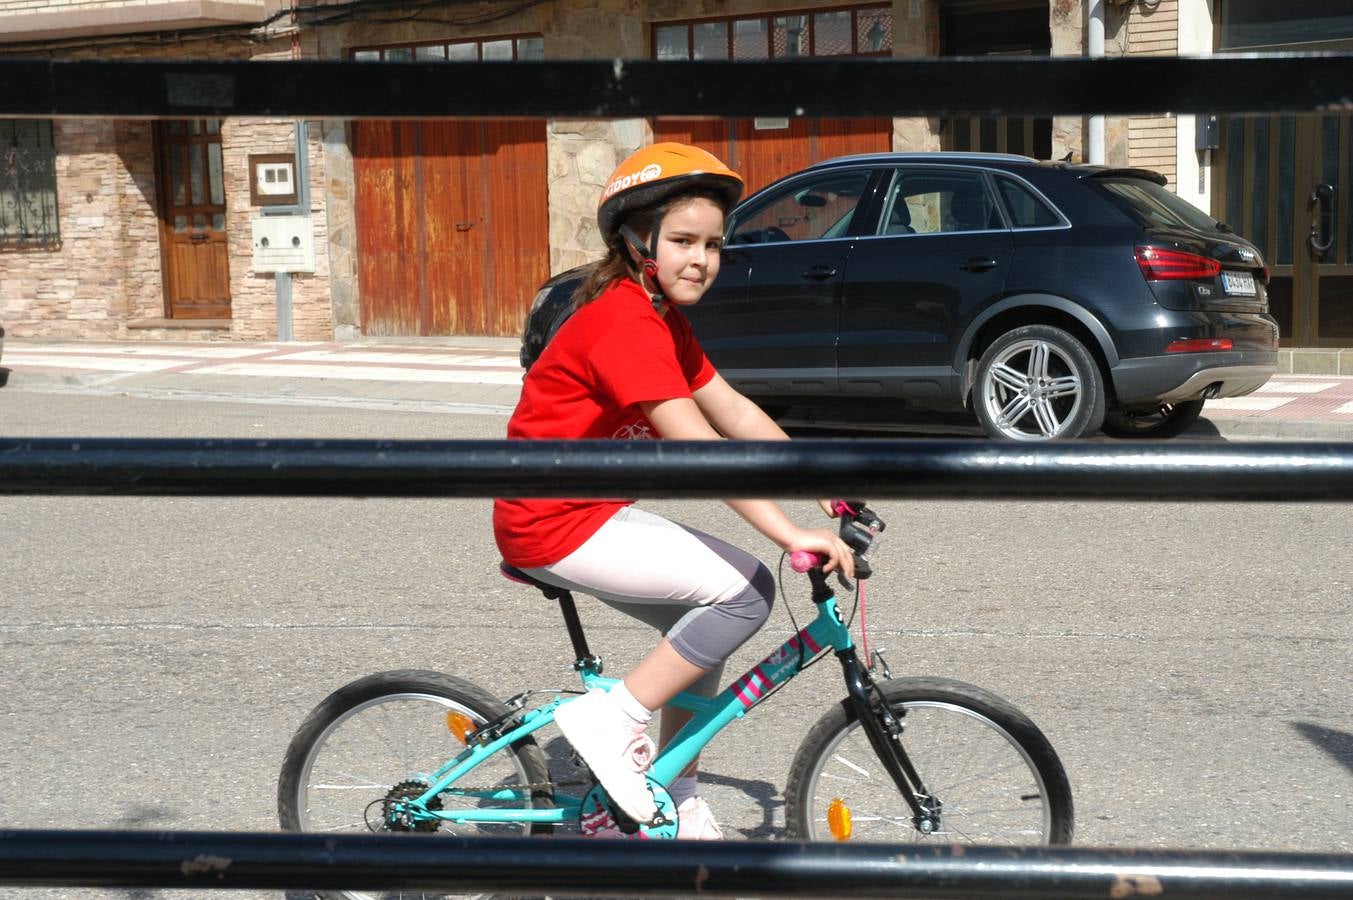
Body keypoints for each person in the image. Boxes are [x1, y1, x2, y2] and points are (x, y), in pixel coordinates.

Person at [493, 142, 854, 839]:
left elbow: (736, 411)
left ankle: (672, 790)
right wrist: (789, 535)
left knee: (704, 627)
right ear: (637, 242)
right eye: (684, 241)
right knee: (745, 589)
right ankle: (615, 719)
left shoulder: (661, 319)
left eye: (715, 244)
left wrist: (824, 487)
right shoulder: (620, 321)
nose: (702, 259)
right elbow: (700, 451)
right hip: (550, 521)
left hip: (588, 512)